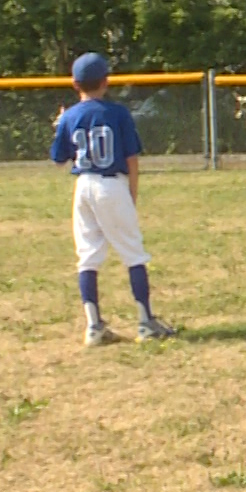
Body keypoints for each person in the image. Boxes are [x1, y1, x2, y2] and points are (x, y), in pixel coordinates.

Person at [50, 52, 175, 346]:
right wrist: (131, 195)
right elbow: (131, 158)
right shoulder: (117, 113)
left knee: (88, 256)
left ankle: (93, 327)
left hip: (83, 186)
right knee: (133, 253)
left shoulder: (69, 116)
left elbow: (58, 160)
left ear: (74, 84)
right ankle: (145, 322)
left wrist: (61, 126)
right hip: (111, 185)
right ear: (105, 82)